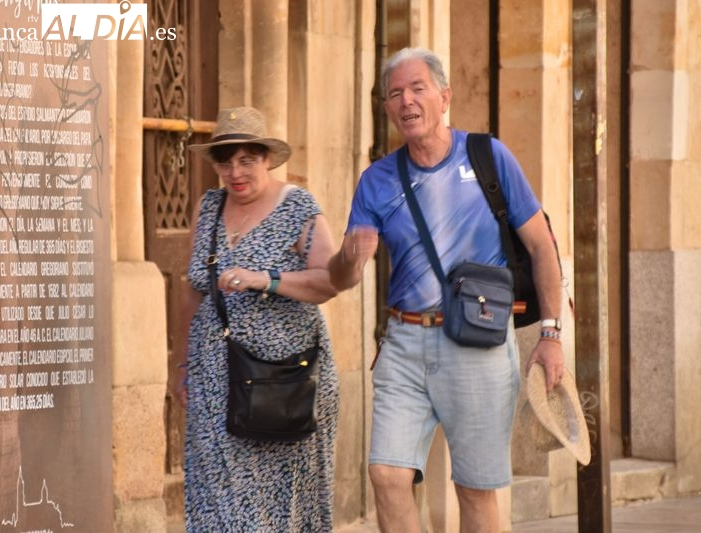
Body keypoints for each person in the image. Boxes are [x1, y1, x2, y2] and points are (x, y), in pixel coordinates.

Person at [328, 47, 565, 533]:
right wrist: (351, 256)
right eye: (395, 94)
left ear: (444, 96)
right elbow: (342, 278)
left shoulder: (488, 157)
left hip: (478, 342)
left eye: (417, 89)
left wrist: (551, 334)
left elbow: (542, 246)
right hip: (404, 342)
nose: (406, 101)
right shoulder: (376, 180)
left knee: (474, 490)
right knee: (387, 475)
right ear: (387, 108)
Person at [174, 106, 340, 531]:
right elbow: (193, 290)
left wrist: (265, 279)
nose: (235, 172)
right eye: (225, 162)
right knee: (218, 501)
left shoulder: (298, 206)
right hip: (216, 381)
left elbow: (328, 281)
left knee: (280, 501)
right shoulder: (209, 206)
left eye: (247, 160)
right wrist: (182, 365)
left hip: (284, 382)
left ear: (267, 158)